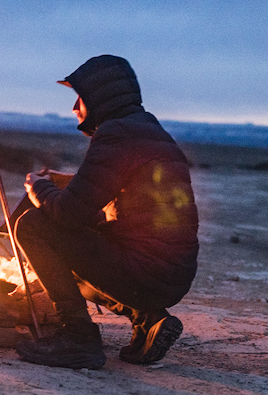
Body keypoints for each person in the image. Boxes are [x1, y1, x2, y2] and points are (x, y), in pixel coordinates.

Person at [11, 55, 199, 369]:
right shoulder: (146, 131)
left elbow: (69, 213)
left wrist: (37, 187)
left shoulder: (116, 135)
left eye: (79, 99)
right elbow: (131, 195)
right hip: (170, 273)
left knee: (33, 225)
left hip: (148, 273)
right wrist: (67, 182)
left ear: (99, 98)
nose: (74, 109)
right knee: (75, 257)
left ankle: (78, 337)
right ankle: (147, 321)